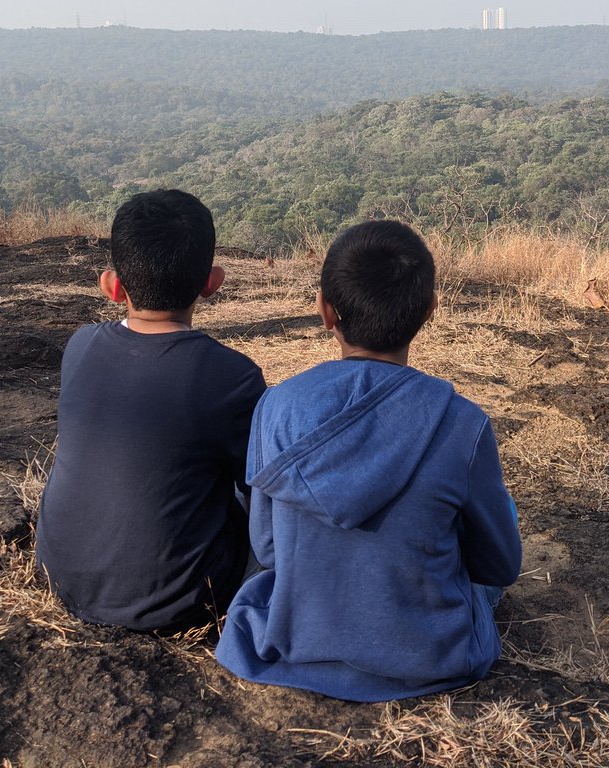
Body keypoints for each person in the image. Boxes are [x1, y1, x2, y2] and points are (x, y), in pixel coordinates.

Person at [215, 220, 521, 701]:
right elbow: (499, 566)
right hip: (429, 658)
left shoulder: (276, 406)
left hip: (295, 641)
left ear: (325, 311)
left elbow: (270, 550)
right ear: (429, 311)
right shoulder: (464, 424)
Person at [36, 188, 266, 632]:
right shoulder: (231, 376)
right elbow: (260, 496)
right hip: (180, 601)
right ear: (212, 282)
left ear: (111, 286)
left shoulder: (80, 345)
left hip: (59, 578)